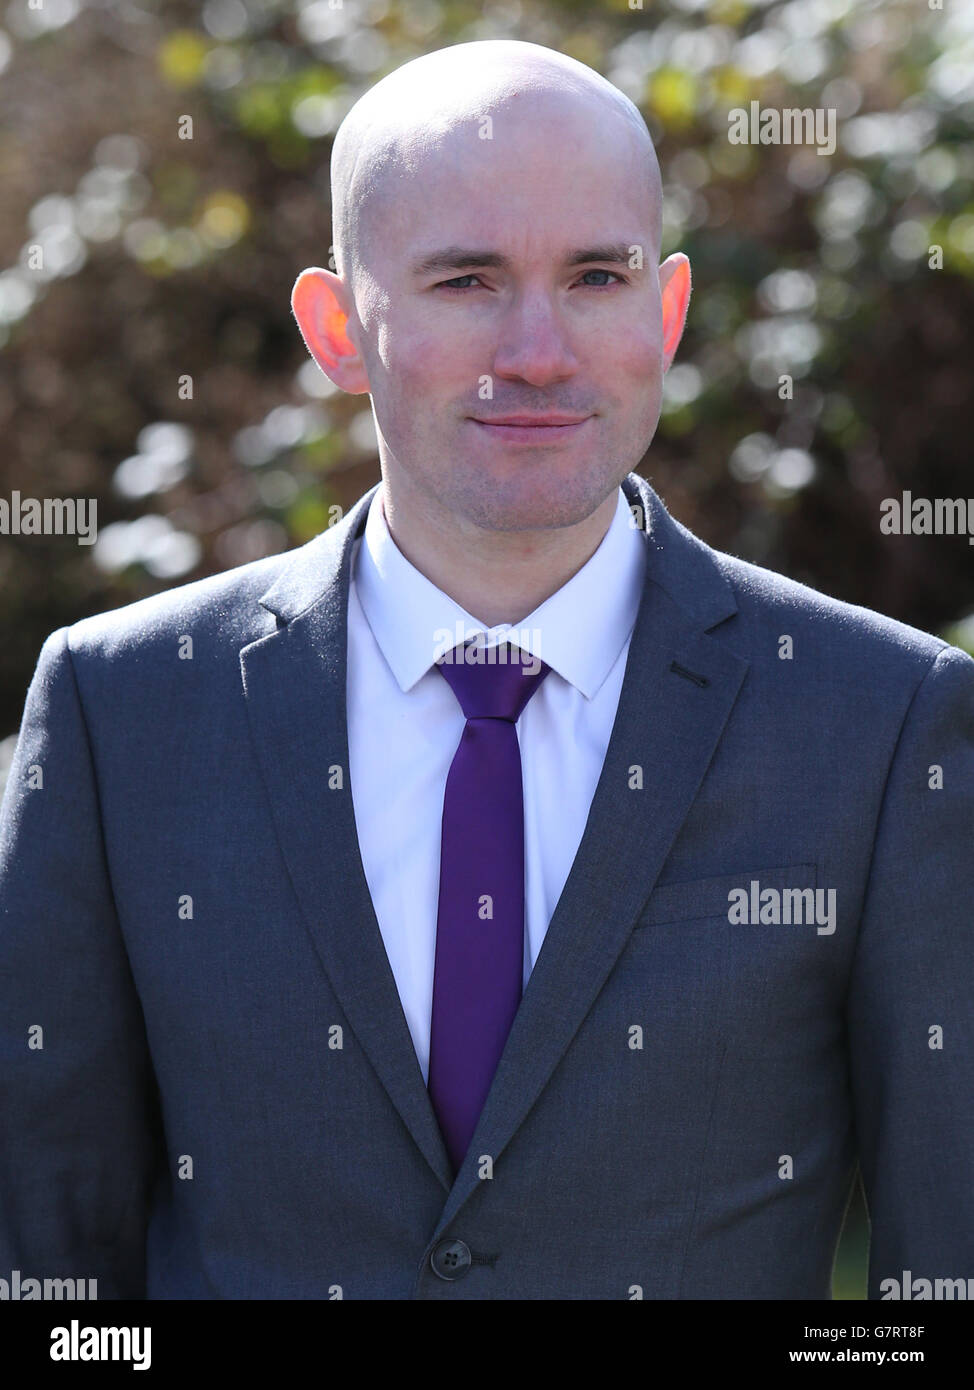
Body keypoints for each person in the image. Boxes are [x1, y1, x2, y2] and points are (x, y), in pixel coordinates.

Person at [1, 38, 971, 1302]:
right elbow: (49, 1282)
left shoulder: (880, 722)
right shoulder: (119, 711)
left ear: (665, 312)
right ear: (337, 328)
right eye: (465, 279)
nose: (538, 348)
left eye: (594, 276)